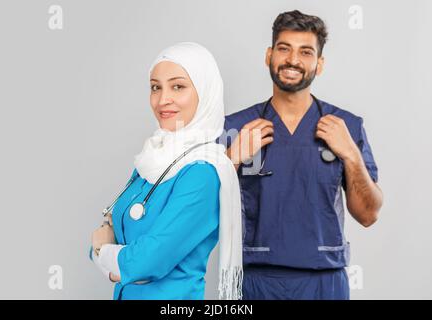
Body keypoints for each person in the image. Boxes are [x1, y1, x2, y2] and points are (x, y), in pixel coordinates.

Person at [220, 10, 383, 300]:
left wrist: (351, 155)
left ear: (319, 64)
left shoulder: (347, 127)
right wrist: (229, 159)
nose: (293, 60)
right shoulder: (235, 128)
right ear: (269, 55)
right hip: (256, 280)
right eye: (284, 49)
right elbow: (201, 211)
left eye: (305, 52)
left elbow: (368, 214)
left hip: (325, 282)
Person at [90, 42, 243, 300]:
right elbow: (112, 228)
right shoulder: (153, 158)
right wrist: (111, 253)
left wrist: (102, 250)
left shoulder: (203, 171)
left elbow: (146, 263)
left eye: (178, 86)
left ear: (205, 93)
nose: (163, 100)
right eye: (155, 87)